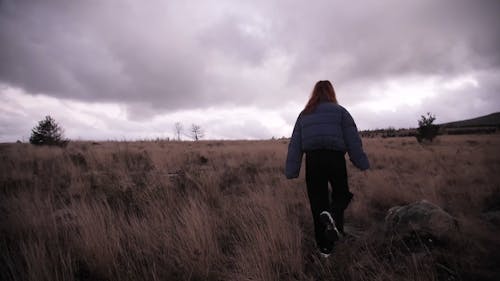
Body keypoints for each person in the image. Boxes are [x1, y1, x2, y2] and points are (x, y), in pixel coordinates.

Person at [285, 80, 369, 258]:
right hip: (335, 159)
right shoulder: (341, 112)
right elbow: (353, 140)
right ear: (331, 93)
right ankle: (334, 218)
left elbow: (295, 145)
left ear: (314, 93)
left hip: (313, 161)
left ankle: (325, 249)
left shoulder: (304, 115)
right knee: (342, 194)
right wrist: (361, 162)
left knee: (317, 203)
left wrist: (292, 170)